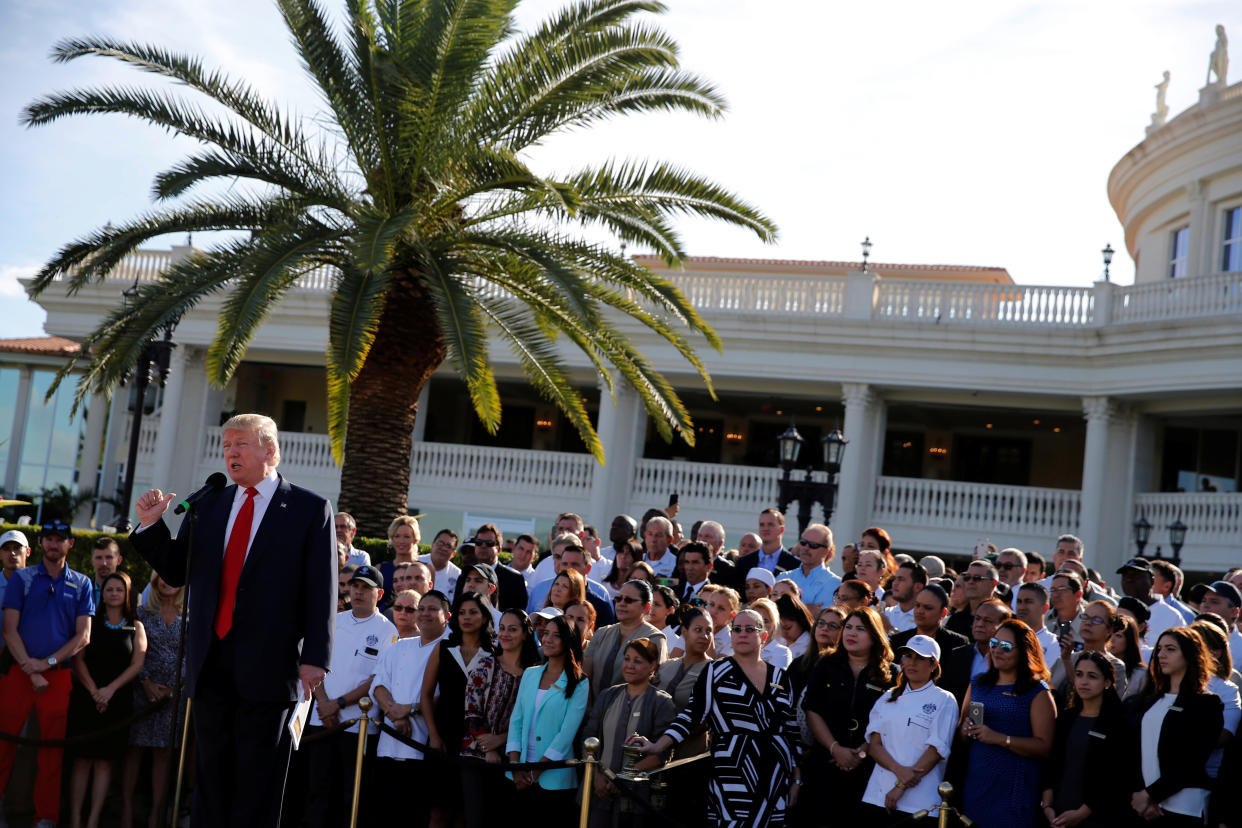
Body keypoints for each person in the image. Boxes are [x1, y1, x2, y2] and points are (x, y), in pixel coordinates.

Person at [131, 413, 336, 828]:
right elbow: (176, 571)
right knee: (210, 780)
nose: (231, 452)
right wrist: (152, 527)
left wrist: (316, 657)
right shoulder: (211, 503)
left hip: (270, 666)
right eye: (226, 446)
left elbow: (322, 589)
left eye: (240, 443)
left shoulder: (308, 509)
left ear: (271, 450)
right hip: (211, 664)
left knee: (257, 782)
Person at [639, 608, 802, 826]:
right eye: (736, 629)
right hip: (732, 771)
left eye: (749, 629)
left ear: (763, 636)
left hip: (775, 775)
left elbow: (791, 729)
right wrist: (658, 746)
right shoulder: (715, 672)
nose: (742, 634)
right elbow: (691, 716)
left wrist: (796, 778)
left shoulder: (780, 676)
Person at [0, 518, 95, 828]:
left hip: (56, 677)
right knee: (3, 745)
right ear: (40, 544)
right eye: (49, 539)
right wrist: (30, 667)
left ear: (71, 544)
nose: (54, 544)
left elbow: (83, 636)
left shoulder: (82, 583)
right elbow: (9, 630)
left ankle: (46, 818)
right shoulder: (22, 579)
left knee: (52, 754)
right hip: (19, 673)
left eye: (60, 539)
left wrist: (47, 664)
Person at [306, 564, 393, 828]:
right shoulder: (334, 620)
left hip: (358, 725)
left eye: (366, 588)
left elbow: (376, 679)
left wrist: (339, 704)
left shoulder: (388, 630)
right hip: (321, 719)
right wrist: (323, 703)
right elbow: (313, 662)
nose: (358, 592)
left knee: (351, 795)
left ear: (379, 594)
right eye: (355, 586)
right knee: (316, 791)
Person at [801, 607, 898, 825]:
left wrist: (863, 751)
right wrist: (835, 748)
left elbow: (890, 722)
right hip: (825, 763)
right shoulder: (825, 665)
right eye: (849, 627)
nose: (851, 633)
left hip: (870, 769)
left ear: (875, 636)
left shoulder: (890, 674)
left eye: (860, 629)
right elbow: (812, 710)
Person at [68, 572, 147, 828]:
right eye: (109, 589)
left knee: (104, 763)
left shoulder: (136, 625)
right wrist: (95, 692)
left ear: (127, 594)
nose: (113, 593)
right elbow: (77, 660)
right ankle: (76, 819)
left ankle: (93, 821)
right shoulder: (90, 621)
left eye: (119, 590)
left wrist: (110, 691)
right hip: (86, 700)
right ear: (101, 593)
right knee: (82, 761)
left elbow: (137, 664)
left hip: (117, 702)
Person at [960, 619, 1056, 828]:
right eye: (994, 643)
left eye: (1006, 646)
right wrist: (966, 730)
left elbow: (1045, 747)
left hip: (1015, 790)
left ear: (1023, 651)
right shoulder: (977, 683)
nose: (997, 650)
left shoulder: (1036, 691)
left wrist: (1001, 739)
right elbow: (961, 733)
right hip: (978, 784)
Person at [1131, 627, 1225, 825]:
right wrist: (1144, 796)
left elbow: (1191, 760)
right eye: (1159, 649)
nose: (1161, 654)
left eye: (1170, 649)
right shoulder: (1149, 701)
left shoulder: (1206, 703)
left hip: (1185, 806)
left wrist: (1151, 794)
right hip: (1147, 806)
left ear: (1190, 654)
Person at [370, 590, 451, 823]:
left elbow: (443, 696)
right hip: (388, 744)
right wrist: (394, 712)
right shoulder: (399, 646)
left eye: (432, 609)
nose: (425, 614)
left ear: (447, 616)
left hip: (423, 748)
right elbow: (378, 684)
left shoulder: (449, 649)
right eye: (421, 608)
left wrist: (410, 709)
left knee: (416, 816)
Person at [861, 635, 958, 822]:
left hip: (920, 803)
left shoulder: (944, 699)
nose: (912, 663)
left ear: (934, 664)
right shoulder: (887, 697)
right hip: (877, 795)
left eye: (920, 658)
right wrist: (900, 771)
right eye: (908, 656)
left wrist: (900, 787)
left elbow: (936, 749)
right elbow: (874, 745)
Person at [582, 638, 677, 828]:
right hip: (598, 791)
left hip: (636, 798)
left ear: (653, 666)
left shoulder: (662, 702)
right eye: (627, 659)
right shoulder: (608, 695)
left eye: (638, 661)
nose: (630, 665)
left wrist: (623, 780)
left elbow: (663, 754)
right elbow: (588, 739)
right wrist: (596, 777)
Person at [421, 591, 496, 827]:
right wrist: (433, 735)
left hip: (476, 741)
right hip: (441, 738)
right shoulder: (443, 648)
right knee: (437, 812)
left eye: (473, 612)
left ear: (484, 617)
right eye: (462, 612)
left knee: (466, 812)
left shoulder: (495, 654)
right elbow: (425, 694)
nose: (466, 617)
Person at [459, 609, 540, 828]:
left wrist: (502, 740)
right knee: (477, 819)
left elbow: (529, 718)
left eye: (512, 629)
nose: (505, 634)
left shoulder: (533, 673)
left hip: (513, 758)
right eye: (502, 628)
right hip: (476, 755)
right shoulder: (485, 665)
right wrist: (489, 747)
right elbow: (471, 711)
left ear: (525, 634)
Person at [505, 615, 590, 820]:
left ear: (569, 640)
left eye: (556, 635)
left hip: (554, 779)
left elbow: (566, 734)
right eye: (545, 634)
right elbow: (516, 720)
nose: (548, 640)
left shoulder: (580, 682)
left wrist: (535, 773)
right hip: (518, 774)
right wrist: (516, 767)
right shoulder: (530, 674)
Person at [1040, 650, 1136, 828]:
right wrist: (1047, 806)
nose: (1084, 681)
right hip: (1057, 815)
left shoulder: (1119, 724)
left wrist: (1082, 813)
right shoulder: (1066, 718)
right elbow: (1051, 764)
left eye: (1092, 676)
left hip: (1098, 818)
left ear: (1107, 682)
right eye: (1079, 675)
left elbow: (1118, 776)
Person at [122, 573, 187, 828]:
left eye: (171, 577)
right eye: (161, 577)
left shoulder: (190, 616)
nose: (166, 581)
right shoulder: (142, 613)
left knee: (163, 754)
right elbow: (134, 650)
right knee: (134, 751)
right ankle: (126, 810)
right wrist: (147, 682)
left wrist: (172, 687)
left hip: (174, 696)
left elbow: (190, 655)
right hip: (142, 691)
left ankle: (155, 815)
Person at [653, 606, 713, 828]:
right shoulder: (667, 666)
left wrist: (671, 737)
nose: (705, 636)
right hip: (654, 754)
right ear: (684, 631)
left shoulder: (714, 670)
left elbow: (705, 716)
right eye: (698, 629)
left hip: (690, 757)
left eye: (709, 631)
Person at [584, 580, 667, 696]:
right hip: (592, 708)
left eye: (629, 600)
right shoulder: (602, 633)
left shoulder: (654, 638)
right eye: (618, 599)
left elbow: (656, 684)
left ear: (646, 607)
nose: (622, 603)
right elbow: (585, 676)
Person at [1190, 621, 1241, 786]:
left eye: (1196, 646)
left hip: (1202, 779)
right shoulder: (1166, 683)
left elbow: (1222, 738)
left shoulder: (1227, 690)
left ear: (1216, 652)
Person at [1049, 599, 1129, 704]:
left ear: (1109, 630)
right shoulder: (1065, 658)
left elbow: (1092, 702)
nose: (1088, 623)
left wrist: (1067, 662)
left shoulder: (1115, 665)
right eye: (1085, 617)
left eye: (1096, 620)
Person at [890, 584, 969, 659]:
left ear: (943, 613)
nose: (920, 611)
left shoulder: (957, 644)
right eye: (917, 605)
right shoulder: (897, 641)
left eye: (928, 607)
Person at [776, 524, 841, 614]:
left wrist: (788, 607)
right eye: (803, 542)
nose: (806, 548)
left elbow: (822, 616)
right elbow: (773, 610)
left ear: (826, 551)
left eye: (813, 545)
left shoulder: (834, 583)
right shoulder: (783, 577)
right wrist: (807, 608)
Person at [736, 509, 799, 581]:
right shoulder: (743, 562)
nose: (765, 528)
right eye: (762, 525)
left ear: (781, 529)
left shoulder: (795, 564)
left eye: (770, 524)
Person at [946, 560, 998, 638]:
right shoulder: (955, 620)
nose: (970, 582)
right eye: (967, 578)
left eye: (977, 578)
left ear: (993, 583)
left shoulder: (1004, 618)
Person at [382, 518, 428, 603]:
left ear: (415, 539)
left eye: (406, 536)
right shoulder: (381, 569)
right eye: (397, 536)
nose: (401, 541)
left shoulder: (426, 569)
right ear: (392, 539)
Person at [1108, 613, 1149, 700]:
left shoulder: (1141, 674)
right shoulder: (1096, 664)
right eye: (1110, 633)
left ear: (1130, 640)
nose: (1111, 639)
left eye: (1118, 635)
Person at [881, 560, 925, 634]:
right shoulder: (886, 613)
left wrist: (889, 629)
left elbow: (913, 644)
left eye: (901, 579)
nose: (895, 583)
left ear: (918, 587)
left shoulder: (925, 619)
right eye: (895, 579)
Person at [749, 597, 793, 669]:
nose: (760, 625)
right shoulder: (741, 647)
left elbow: (774, 679)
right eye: (755, 620)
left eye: (765, 621)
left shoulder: (782, 652)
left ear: (774, 624)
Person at [702, 584, 740, 658]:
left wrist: (709, 633)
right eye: (712, 604)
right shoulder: (693, 627)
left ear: (732, 615)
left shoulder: (733, 641)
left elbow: (714, 667)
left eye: (721, 608)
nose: (714, 611)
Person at [87, 536, 123, 611]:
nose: (104, 563)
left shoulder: (131, 595)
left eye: (109, 557)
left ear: (119, 560)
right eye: (99, 558)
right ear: (92, 561)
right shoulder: (82, 592)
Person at [776, 593, 814, 661]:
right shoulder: (777, 641)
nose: (783, 633)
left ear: (801, 621)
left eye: (788, 628)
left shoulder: (811, 645)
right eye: (779, 628)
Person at [647, 584, 681, 656]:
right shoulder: (631, 634)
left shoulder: (677, 644)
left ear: (670, 610)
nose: (650, 608)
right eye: (649, 602)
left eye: (656, 604)